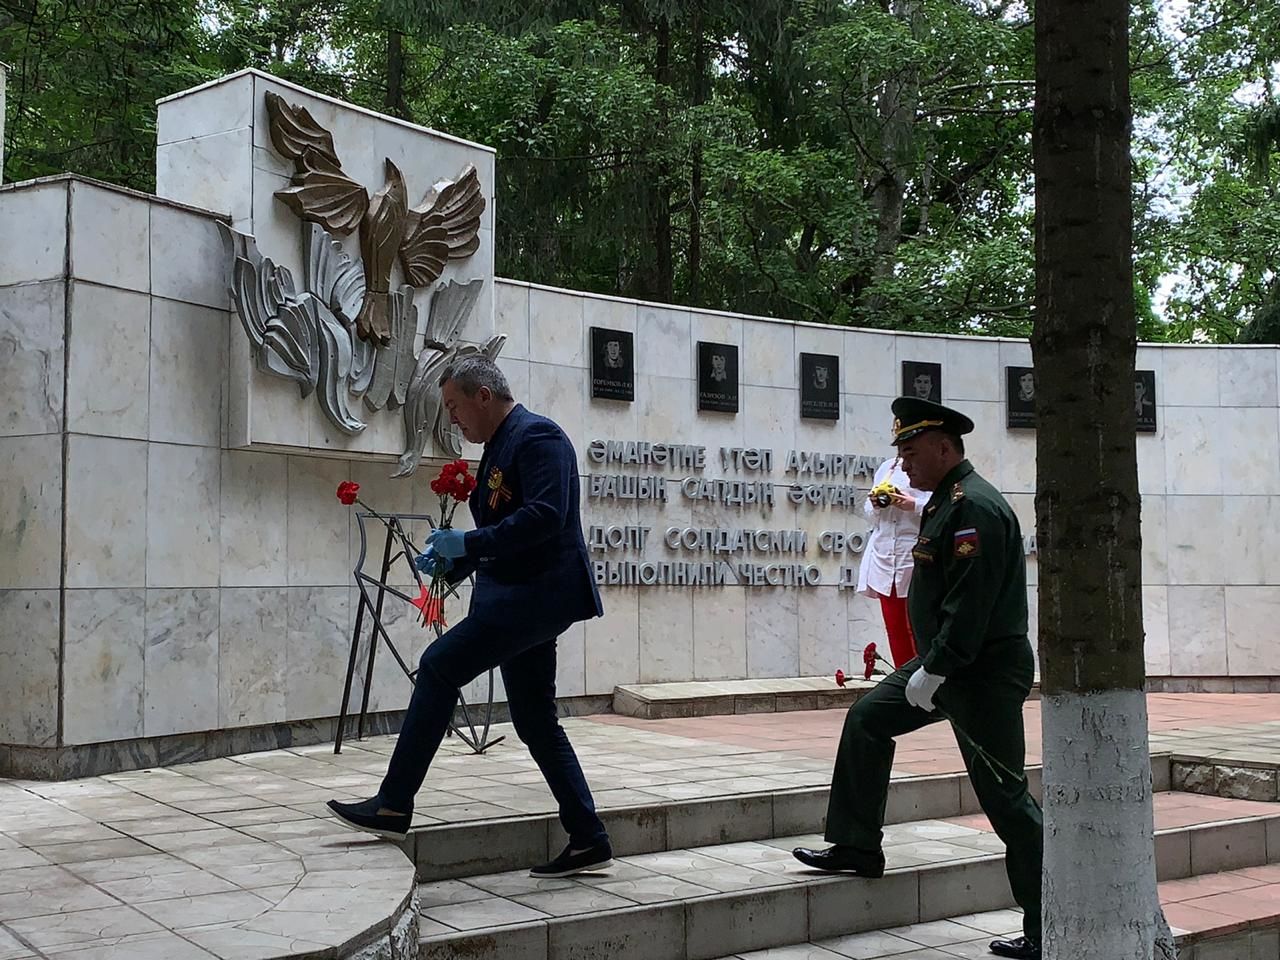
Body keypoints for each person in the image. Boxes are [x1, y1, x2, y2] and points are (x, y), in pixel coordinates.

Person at [328, 356, 613, 879]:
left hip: (535, 597)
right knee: (533, 719)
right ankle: (588, 836)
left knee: (438, 666)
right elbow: (504, 534)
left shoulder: (538, 437)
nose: (453, 420)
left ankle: (393, 804)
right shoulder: (498, 448)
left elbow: (545, 518)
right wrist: (453, 563)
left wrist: (469, 541)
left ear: (484, 396)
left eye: (456, 407)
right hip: (520, 597)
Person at [793, 397, 1044, 960]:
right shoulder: (945, 503)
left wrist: (935, 668)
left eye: (910, 452)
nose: (902, 464)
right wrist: (929, 665)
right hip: (943, 662)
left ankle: (1048, 921)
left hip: (978, 672)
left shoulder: (973, 506)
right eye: (900, 453)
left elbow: (971, 605)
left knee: (1004, 797)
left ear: (944, 447)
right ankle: (857, 845)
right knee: (866, 720)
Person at [858, 456, 926, 668]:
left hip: (914, 555)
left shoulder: (930, 466)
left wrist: (912, 504)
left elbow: (946, 507)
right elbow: (870, 515)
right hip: (885, 557)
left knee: (917, 629)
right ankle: (903, 684)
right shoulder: (887, 467)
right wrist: (875, 503)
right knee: (895, 629)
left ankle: (925, 686)